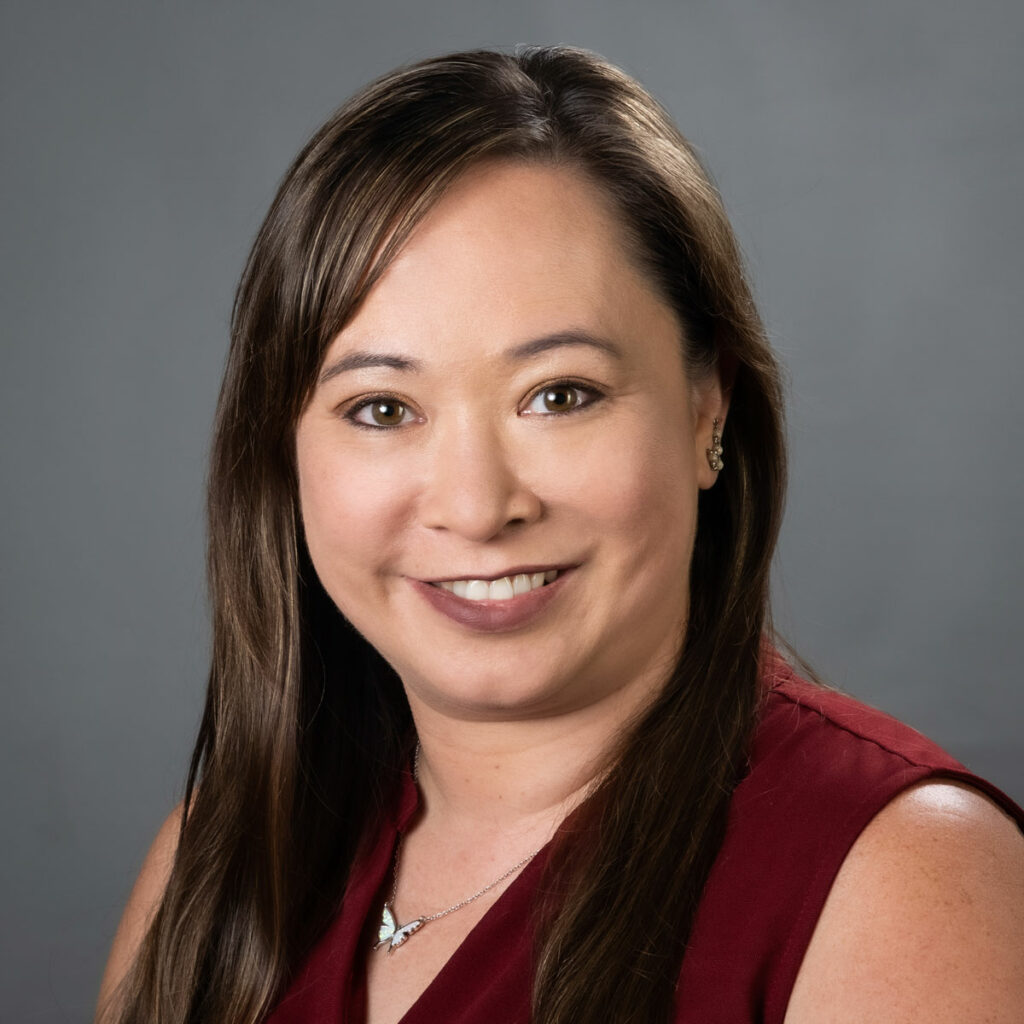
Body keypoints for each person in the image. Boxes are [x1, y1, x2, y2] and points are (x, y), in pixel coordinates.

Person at [96, 46, 1024, 1024]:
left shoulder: (899, 878)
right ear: (282, 451)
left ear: (707, 405)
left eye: (560, 394)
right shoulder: (216, 863)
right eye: (380, 408)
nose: (476, 502)